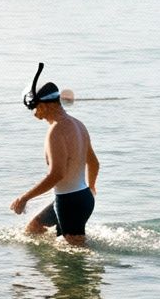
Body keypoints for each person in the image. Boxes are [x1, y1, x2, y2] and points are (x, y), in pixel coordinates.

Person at [10, 63, 99, 246]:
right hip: (81, 197)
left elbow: (57, 174)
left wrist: (24, 198)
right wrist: (91, 188)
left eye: (35, 109)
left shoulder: (55, 131)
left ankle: (116, 268)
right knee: (34, 229)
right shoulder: (78, 124)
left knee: (77, 255)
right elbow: (94, 163)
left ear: (43, 105)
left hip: (70, 201)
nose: (35, 115)